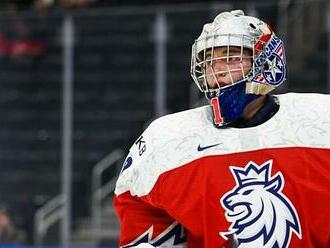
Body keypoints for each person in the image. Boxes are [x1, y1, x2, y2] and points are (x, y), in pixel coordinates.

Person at [113, 9, 330, 248]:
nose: (218, 71)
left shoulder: (321, 122)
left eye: (232, 58)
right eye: (209, 62)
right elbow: (142, 221)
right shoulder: (165, 140)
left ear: (266, 62)